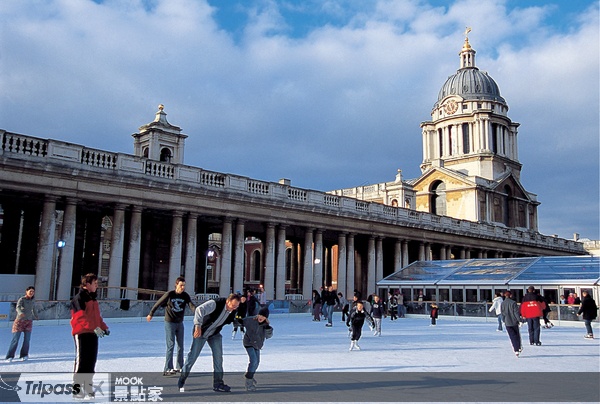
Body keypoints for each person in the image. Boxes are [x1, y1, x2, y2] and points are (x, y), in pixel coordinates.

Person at [177, 294, 240, 393]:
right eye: (233, 305)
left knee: (218, 357)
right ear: (228, 302)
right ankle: (182, 378)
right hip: (201, 332)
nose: (235, 308)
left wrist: (240, 323)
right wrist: (197, 325)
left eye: (237, 306)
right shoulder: (216, 303)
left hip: (214, 334)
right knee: (193, 356)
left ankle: (218, 383)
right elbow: (199, 310)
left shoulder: (233, 311)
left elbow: (234, 320)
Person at [71, 273, 109, 399]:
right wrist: (95, 328)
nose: (97, 286)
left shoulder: (93, 298)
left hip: (93, 333)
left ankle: (87, 385)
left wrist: (103, 327)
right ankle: (77, 388)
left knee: (91, 361)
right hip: (81, 333)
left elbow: (96, 317)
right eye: (95, 283)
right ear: (87, 284)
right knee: (82, 361)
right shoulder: (79, 298)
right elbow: (80, 317)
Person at [146, 276, 196, 376]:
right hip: (169, 322)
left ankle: (180, 366)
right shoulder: (170, 294)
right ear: (176, 285)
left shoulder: (185, 296)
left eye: (184, 286)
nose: (182, 287)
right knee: (171, 344)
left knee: (180, 345)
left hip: (180, 323)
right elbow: (158, 303)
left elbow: (191, 306)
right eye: (181, 285)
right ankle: (168, 368)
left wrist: (198, 312)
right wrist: (151, 313)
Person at [241, 306, 273, 391]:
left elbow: (269, 336)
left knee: (257, 362)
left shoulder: (265, 325)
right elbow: (241, 321)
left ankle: (249, 375)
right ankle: (249, 381)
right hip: (248, 342)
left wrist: (267, 328)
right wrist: (238, 320)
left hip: (258, 345)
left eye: (263, 316)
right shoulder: (250, 320)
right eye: (260, 315)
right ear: (258, 315)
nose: (261, 318)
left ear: (266, 318)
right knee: (254, 360)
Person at [5, 286, 39, 362]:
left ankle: (24, 355)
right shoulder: (22, 299)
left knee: (27, 340)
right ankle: (9, 356)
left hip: (28, 321)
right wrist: (20, 313)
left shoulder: (32, 301)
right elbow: (18, 307)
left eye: (33, 292)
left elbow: (33, 309)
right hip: (19, 321)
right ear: (26, 291)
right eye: (30, 291)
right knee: (15, 339)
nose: (31, 293)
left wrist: (36, 315)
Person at [501, 290, 523, 357]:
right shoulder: (513, 303)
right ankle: (518, 347)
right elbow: (516, 313)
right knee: (517, 335)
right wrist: (519, 320)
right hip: (514, 322)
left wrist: (503, 320)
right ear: (510, 295)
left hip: (507, 322)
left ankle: (516, 349)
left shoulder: (503, 303)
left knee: (512, 336)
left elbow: (502, 313)